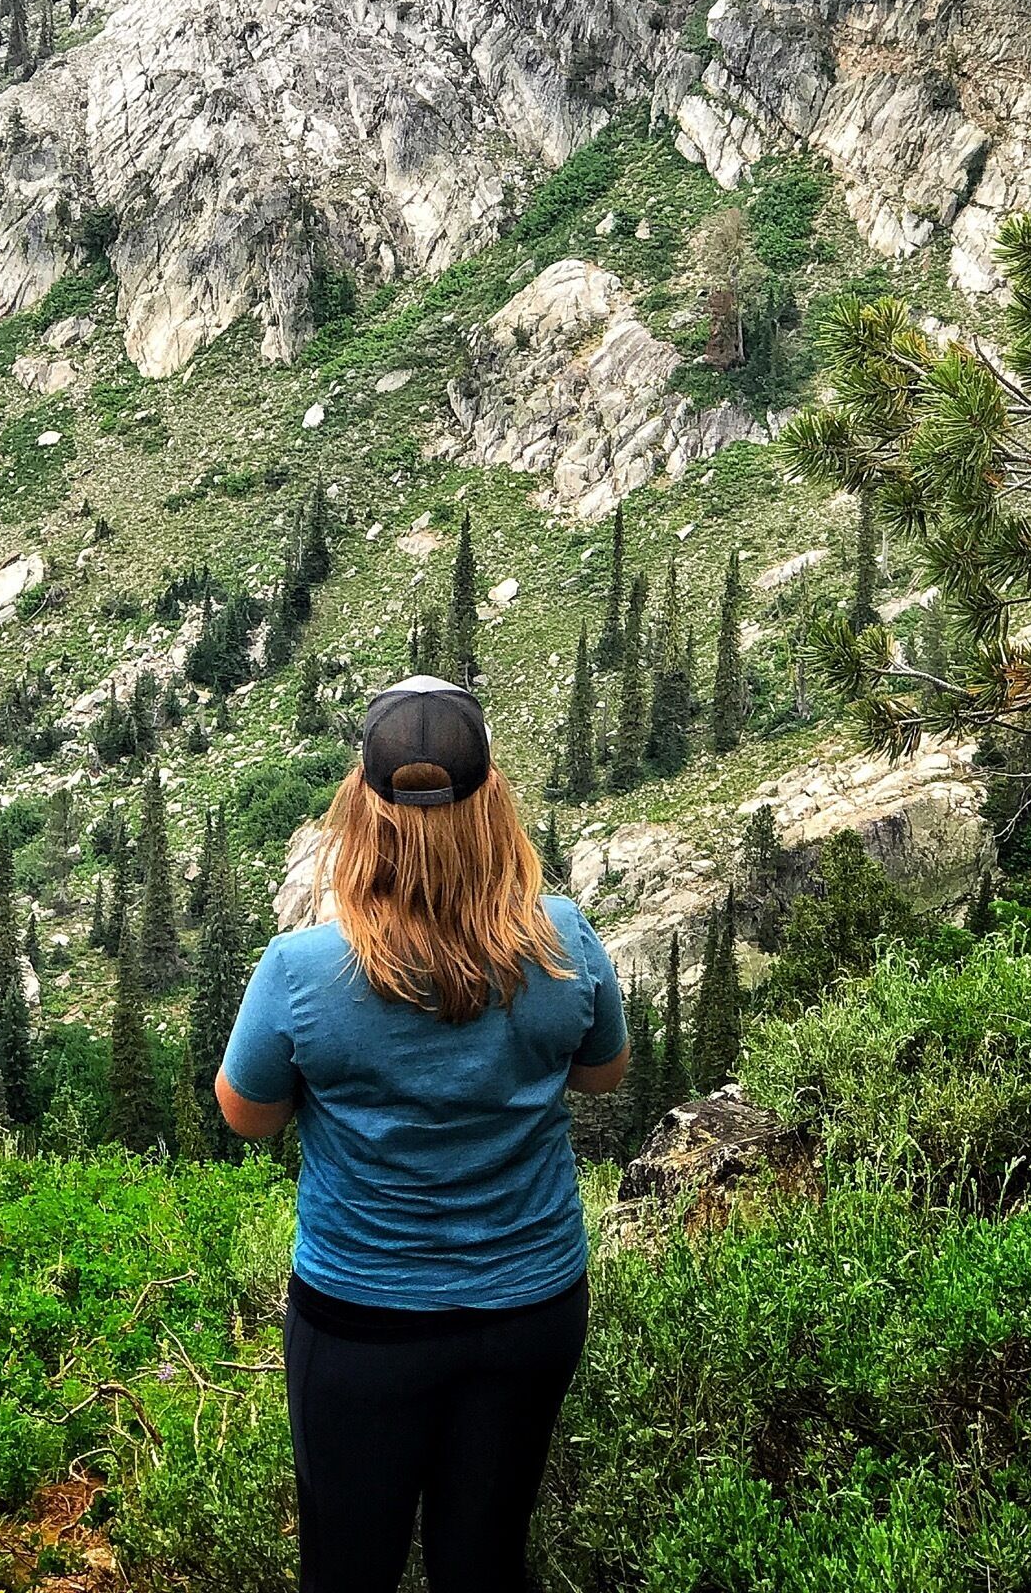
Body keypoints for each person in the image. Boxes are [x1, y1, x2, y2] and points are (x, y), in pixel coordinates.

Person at [217, 674, 629, 1593]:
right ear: (493, 805)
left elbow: (246, 1116)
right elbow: (603, 1074)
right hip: (531, 1304)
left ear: (361, 809)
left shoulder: (303, 968)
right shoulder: (563, 938)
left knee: (347, 1563)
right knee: (484, 1559)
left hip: (364, 1319)